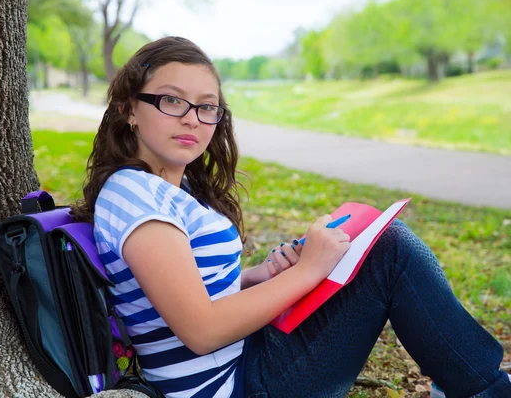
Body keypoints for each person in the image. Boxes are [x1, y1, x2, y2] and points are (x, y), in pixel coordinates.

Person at [70, 36, 511, 398]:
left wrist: (256, 276)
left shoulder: (168, 189)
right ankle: (487, 390)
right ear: (130, 108)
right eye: (172, 101)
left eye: (207, 107)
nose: (193, 119)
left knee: (375, 246)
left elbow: (179, 292)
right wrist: (311, 270)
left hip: (244, 360)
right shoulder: (136, 194)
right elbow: (200, 330)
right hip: (231, 386)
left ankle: (473, 382)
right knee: (390, 250)